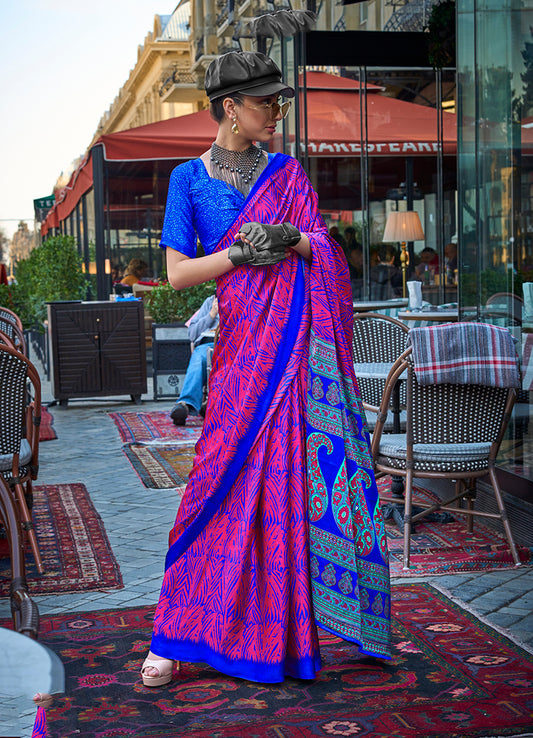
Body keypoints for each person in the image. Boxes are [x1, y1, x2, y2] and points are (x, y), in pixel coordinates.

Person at [141, 50, 391, 687]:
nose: (277, 111)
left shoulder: (288, 173)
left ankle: (277, 633)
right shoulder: (186, 182)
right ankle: (173, 632)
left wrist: (295, 240)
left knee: (282, 491)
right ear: (230, 109)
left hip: (289, 359)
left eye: (278, 101)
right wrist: (238, 256)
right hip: (237, 362)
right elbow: (176, 274)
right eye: (265, 102)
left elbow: (324, 252)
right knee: (213, 483)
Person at [170, 294, 219, 425]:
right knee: (199, 359)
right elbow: (192, 334)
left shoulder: (245, 298)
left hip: (234, 344)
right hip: (208, 344)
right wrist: (212, 314)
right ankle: (186, 404)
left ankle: (212, 404)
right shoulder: (210, 301)